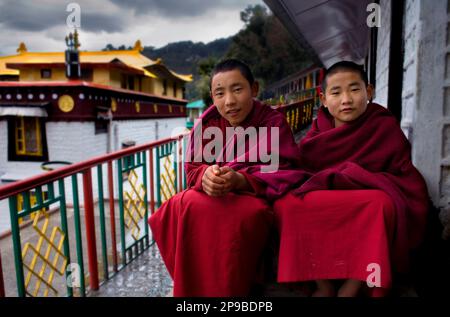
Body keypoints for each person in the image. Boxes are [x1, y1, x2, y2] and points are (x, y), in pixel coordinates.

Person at [148, 59, 304, 297]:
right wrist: (205, 176)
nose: (229, 101)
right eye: (220, 93)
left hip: (253, 198)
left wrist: (241, 180)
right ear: (212, 97)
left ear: (254, 89)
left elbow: (285, 171)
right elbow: (192, 170)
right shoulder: (208, 123)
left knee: (239, 215)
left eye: (237, 89)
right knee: (185, 204)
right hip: (215, 193)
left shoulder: (272, 122)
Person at [274, 61, 429, 297]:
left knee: (380, 204)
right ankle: (322, 283)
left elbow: (404, 176)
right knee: (288, 204)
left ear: (369, 92)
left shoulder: (383, 126)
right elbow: (301, 173)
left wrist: (355, 176)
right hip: (328, 196)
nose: (346, 99)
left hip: (366, 197)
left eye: (354, 90)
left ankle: (355, 282)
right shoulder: (317, 134)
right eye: (336, 92)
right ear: (323, 99)